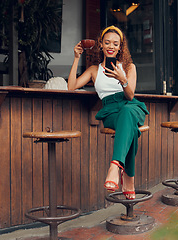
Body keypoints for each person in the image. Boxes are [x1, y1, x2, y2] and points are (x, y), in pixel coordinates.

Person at [68, 26, 149, 200]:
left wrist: (123, 80)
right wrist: (76, 58)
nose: (111, 46)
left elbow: (130, 95)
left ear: (120, 47)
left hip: (130, 105)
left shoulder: (128, 67)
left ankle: (115, 166)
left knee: (128, 111)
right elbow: (71, 86)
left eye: (115, 43)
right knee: (131, 130)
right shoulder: (94, 70)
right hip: (110, 111)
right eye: (107, 42)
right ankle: (129, 178)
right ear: (101, 45)